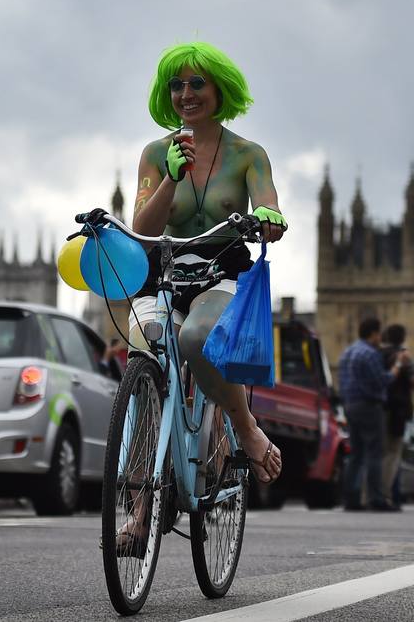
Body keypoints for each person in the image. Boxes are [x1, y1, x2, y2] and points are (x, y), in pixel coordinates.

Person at [122, 41, 287, 551]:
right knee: (145, 359)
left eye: (197, 83)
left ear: (220, 90)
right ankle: (140, 510)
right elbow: (142, 227)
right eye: (177, 84)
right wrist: (171, 177)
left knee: (196, 337)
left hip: (220, 275)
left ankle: (246, 427)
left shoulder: (248, 155)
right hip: (163, 276)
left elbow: (270, 207)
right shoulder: (156, 153)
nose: (186, 93)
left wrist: (270, 219)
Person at [339, 317, 405, 511]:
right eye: (378, 334)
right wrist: (397, 367)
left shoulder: (347, 352)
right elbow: (382, 380)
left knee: (356, 454)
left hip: (350, 406)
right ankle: (376, 498)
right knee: (374, 453)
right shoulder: (370, 354)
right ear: (374, 333)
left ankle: (350, 498)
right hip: (370, 406)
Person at [380, 323, 414, 508]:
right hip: (398, 409)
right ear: (402, 338)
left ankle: (377, 494)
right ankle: (387, 495)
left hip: (380, 407)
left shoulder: (378, 354)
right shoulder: (403, 357)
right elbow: (413, 382)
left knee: (380, 453)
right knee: (393, 453)